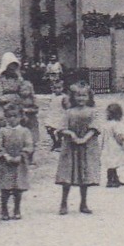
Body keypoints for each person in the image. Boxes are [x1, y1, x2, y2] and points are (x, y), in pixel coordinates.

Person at [54, 81, 101, 214]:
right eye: (78, 96)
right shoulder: (69, 112)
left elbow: (95, 128)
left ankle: (83, 203)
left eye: (84, 96)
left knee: (84, 174)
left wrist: (84, 138)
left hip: (86, 146)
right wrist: (72, 135)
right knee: (67, 174)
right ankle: (64, 203)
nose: (81, 99)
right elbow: (61, 128)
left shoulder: (92, 112)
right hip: (70, 147)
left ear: (89, 97)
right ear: (73, 97)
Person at [0, 97, 35, 220]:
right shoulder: (2, 131)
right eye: (9, 116)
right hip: (5, 163)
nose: (12, 119)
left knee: (18, 188)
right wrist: (6, 156)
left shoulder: (25, 131)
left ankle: (17, 209)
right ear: (5, 117)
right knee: (5, 188)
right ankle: (4, 210)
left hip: (19, 163)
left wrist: (21, 156)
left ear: (21, 117)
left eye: (15, 116)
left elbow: (29, 145)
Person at [0, 52, 40, 158]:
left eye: (14, 68)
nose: (12, 71)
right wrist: (10, 99)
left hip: (17, 106)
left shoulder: (18, 78)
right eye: (10, 68)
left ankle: (22, 152)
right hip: (3, 106)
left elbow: (24, 90)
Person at [101, 102, 124, 188]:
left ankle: (114, 179)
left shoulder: (106, 124)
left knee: (111, 163)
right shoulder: (116, 124)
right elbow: (118, 135)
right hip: (114, 146)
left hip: (108, 146)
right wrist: (122, 142)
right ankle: (110, 181)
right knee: (114, 163)